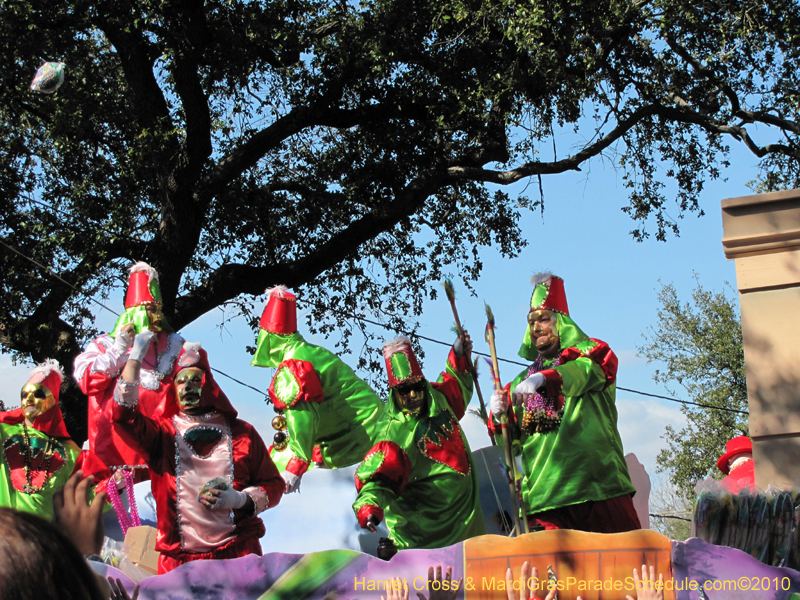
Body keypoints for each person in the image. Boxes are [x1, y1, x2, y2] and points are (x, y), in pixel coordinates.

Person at [111, 335, 285, 573]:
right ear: (173, 388)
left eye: (195, 380)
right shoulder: (161, 434)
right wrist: (134, 359)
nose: (188, 387)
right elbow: (123, 417)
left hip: (239, 559)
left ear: (208, 384)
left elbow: (274, 485)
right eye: (181, 381)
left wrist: (239, 499)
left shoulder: (243, 433)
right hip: (179, 567)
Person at [489, 273, 639, 533]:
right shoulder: (516, 385)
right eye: (531, 322)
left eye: (544, 319)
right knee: (551, 575)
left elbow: (580, 374)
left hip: (599, 488)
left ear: (563, 323)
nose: (536, 328)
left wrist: (545, 379)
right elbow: (508, 442)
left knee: (626, 567)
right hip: (545, 502)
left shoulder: (591, 356)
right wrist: (498, 414)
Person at [352, 334, 485, 550]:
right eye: (404, 390)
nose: (413, 395)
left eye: (417, 386)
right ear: (394, 392)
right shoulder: (392, 431)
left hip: (468, 524)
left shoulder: (438, 398)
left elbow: (457, 384)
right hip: (427, 540)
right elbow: (378, 478)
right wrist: (369, 508)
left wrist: (459, 355)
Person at [250, 286, 384, 493]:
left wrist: (296, 465)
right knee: (270, 462)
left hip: (355, 440)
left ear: (269, 337)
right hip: (370, 427)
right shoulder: (311, 351)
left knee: (267, 473)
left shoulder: (293, 365)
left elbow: (302, 418)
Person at [74, 262, 184, 477]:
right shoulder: (104, 346)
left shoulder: (176, 348)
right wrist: (120, 349)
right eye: (148, 310)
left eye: (158, 310)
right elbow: (88, 382)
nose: (156, 317)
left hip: (164, 461)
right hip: (112, 464)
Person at [0, 361, 107, 520]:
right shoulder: (4, 432)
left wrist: (111, 489)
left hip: (41, 538)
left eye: (38, 394)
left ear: (53, 399)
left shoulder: (72, 453)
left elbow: (82, 501)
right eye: (25, 394)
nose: (29, 399)